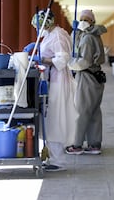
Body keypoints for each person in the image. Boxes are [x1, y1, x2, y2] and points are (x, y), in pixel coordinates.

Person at [23, 9, 78, 172]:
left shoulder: (58, 35)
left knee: (55, 120)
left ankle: (58, 160)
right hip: (51, 80)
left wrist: (41, 58)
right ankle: (53, 156)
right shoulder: (49, 35)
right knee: (50, 119)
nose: (37, 29)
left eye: (37, 26)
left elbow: (62, 59)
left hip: (58, 81)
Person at [65, 9, 107, 155]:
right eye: (81, 18)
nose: (83, 21)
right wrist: (74, 32)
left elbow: (84, 61)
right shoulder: (90, 35)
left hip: (87, 76)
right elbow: (75, 44)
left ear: (92, 22)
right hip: (95, 77)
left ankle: (76, 144)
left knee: (81, 111)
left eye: (86, 19)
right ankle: (94, 144)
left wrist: (69, 64)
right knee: (94, 111)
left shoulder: (89, 38)